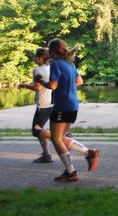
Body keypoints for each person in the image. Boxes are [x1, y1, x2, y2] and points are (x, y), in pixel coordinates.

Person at [35, 38, 99, 182]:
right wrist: (67, 87)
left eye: (49, 50)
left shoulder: (56, 64)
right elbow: (79, 81)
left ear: (52, 51)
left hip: (61, 105)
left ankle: (71, 172)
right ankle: (88, 153)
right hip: (73, 106)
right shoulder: (70, 63)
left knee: (56, 139)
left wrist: (40, 81)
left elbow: (52, 85)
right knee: (62, 137)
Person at [18, 48, 53, 163]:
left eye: (35, 57)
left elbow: (36, 87)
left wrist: (23, 85)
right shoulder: (51, 68)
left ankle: (60, 136)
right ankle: (46, 154)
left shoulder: (37, 70)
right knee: (39, 129)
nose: (34, 59)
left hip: (43, 105)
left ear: (39, 58)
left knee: (36, 131)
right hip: (52, 103)